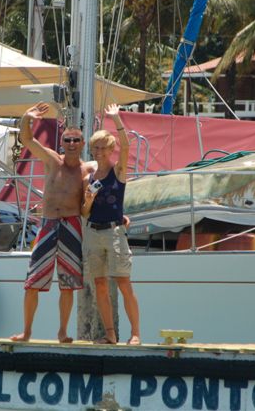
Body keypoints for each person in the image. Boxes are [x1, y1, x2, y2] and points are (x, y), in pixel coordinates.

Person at [11, 102, 94, 343]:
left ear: (83, 144)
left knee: (68, 284)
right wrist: (26, 117)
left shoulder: (87, 169)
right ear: (62, 143)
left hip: (72, 225)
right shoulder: (52, 160)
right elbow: (27, 140)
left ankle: (62, 332)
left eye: (76, 140)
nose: (71, 144)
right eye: (67, 140)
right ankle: (27, 332)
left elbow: (111, 173)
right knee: (32, 281)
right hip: (48, 224)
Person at [81, 103, 141, 345]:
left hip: (114, 232)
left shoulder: (119, 171)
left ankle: (135, 333)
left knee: (124, 283)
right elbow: (84, 212)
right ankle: (110, 334)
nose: (97, 151)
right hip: (93, 232)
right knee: (100, 285)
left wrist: (116, 119)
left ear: (110, 149)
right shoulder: (89, 178)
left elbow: (126, 146)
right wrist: (88, 200)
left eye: (102, 147)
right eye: (94, 147)